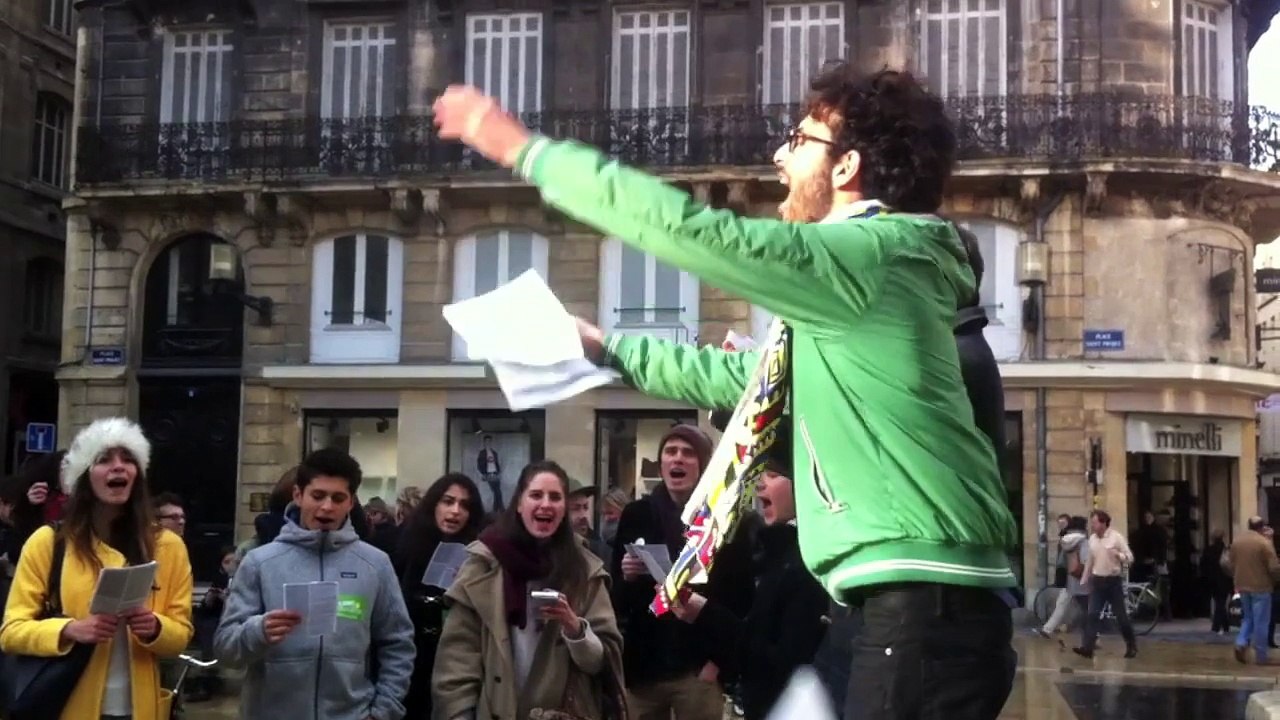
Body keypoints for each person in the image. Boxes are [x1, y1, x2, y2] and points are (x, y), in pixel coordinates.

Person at [431, 63, 1019, 720]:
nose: (780, 157)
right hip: (899, 605)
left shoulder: (867, 257)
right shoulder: (858, 291)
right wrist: (606, 349)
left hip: (920, 606)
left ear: (848, 166)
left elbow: (696, 233)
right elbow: (736, 380)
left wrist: (521, 148)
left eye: (799, 140)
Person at [0, 417, 195, 720]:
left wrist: (156, 627)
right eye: (104, 460)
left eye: (127, 459)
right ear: (84, 476)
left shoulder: (169, 547)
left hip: (140, 710)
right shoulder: (48, 543)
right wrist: (70, 629)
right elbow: (11, 632)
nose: (118, 467)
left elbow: (181, 634)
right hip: (66, 706)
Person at [213, 448, 415, 719]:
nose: (327, 507)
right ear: (298, 495)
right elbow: (226, 649)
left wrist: (383, 711)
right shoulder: (259, 563)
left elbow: (398, 644)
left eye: (338, 498)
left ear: (351, 502)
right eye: (318, 496)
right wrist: (258, 631)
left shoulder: (375, 564)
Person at [433, 460, 626, 720]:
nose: (546, 504)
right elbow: (456, 663)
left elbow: (603, 663)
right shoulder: (482, 566)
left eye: (555, 497)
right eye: (536, 495)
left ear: (563, 508)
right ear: (520, 504)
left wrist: (575, 630)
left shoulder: (585, 571)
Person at [671, 458, 829, 720]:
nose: (760, 485)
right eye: (761, 475)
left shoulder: (807, 563)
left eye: (774, 475)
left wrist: (707, 613)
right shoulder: (773, 553)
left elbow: (779, 662)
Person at [392, 472, 485, 719]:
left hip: (457, 667)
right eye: (448, 501)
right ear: (434, 504)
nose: (455, 511)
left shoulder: (480, 556)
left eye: (464, 505)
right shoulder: (406, 544)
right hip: (409, 665)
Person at [1075, 509, 1137, 659]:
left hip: (1112, 581)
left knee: (1121, 617)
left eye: (1095, 522)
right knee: (1092, 614)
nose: (1092, 525)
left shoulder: (1116, 537)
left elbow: (1130, 557)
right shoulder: (1092, 539)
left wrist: (1119, 555)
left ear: (1103, 523)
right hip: (1098, 581)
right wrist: (1084, 578)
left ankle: (1131, 645)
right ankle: (1088, 648)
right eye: (1092, 523)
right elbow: (1090, 560)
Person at [1222, 517, 1280, 665]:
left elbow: (1230, 563)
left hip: (1242, 585)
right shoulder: (1264, 543)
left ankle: (1241, 642)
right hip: (1261, 586)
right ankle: (1261, 656)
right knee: (1261, 621)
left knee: (1248, 618)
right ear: (1262, 527)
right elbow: (1274, 567)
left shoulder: (1237, 541)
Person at [1036, 516, 1089, 638]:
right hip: (1082, 578)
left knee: (1062, 603)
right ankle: (1093, 635)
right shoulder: (1083, 541)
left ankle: (1047, 629)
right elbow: (1086, 559)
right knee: (1088, 608)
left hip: (1070, 577)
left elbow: (1061, 561)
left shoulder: (1065, 540)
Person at [569, 479, 612, 563]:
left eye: (586, 507)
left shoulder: (601, 552)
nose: (584, 516)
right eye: (576, 508)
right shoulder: (547, 554)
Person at [1200, 529, 1232, 635]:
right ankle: (1222, 626)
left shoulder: (1208, 550)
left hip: (1212, 580)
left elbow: (1203, 566)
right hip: (1225, 580)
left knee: (1219, 602)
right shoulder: (1226, 550)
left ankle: (1218, 626)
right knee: (1221, 603)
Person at [477, 434, 504, 511]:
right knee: (496, 491)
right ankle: (500, 508)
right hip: (488, 474)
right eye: (486, 441)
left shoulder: (494, 453)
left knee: (497, 491)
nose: (488, 443)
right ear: (484, 442)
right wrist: (483, 473)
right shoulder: (482, 453)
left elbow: (496, 463)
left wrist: (498, 471)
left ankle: (496, 508)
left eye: (489, 441)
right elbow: (479, 464)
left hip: (495, 473)